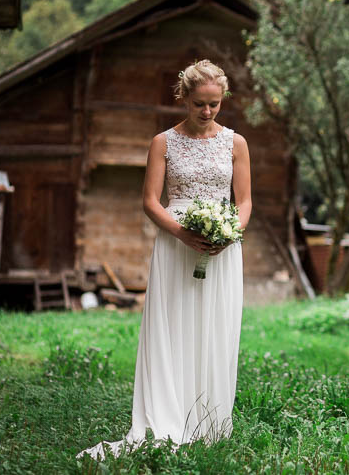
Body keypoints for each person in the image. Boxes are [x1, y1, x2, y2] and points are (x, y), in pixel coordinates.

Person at [77, 60, 251, 461]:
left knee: (215, 327)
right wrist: (182, 233)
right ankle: (167, 413)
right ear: (183, 99)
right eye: (198, 104)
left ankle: (209, 419)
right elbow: (150, 202)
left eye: (214, 104)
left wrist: (229, 233)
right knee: (172, 325)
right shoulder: (163, 142)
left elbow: (244, 201)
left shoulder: (236, 143)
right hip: (175, 243)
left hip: (222, 248)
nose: (207, 112)